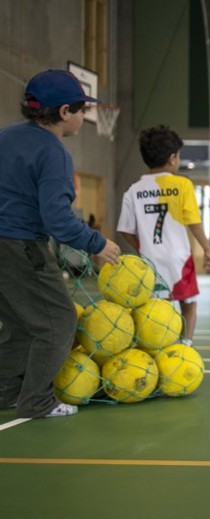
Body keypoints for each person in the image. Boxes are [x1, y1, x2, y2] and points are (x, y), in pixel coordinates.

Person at [0, 69, 120, 418]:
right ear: (65, 112)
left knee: (21, 325)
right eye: (82, 110)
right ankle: (37, 401)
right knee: (58, 322)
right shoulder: (54, 153)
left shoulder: (5, 137)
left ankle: (6, 390)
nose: (84, 117)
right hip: (20, 245)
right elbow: (57, 219)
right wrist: (97, 243)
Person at [117, 125, 210, 345]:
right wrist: (208, 249)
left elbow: (124, 229)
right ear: (173, 158)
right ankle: (186, 346)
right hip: (178, 259)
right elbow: (194, 222)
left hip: (149, 261)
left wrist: (143, 248)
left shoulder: (133, 190)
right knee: (188, 305)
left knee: (152, 308)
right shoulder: (182, 185)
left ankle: (152, 348)